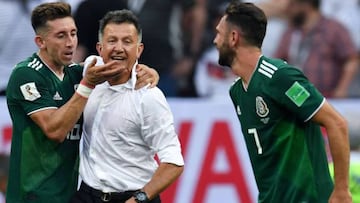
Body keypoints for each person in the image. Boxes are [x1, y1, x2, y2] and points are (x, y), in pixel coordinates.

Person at [5, 2, 159, 203]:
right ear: (40, 41)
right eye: (61, 36)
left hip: (69, 196)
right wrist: (87, 85)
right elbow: (55, 130)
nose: (70, 43)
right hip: (32, 196)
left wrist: (144, 70)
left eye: (73, 33)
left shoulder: (76, 73)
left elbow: (119, 64)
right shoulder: (26, 74)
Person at [213, 1, 352, 202]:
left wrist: (341, 190)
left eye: (219, 33)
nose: (215, 40)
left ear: (234, 38)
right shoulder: (237, 91)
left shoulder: (279, 77)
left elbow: (337, 123)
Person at [70, 9, 184, 203]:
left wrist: (138, 199)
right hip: (87, 194)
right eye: (112, 41)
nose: (119, 48)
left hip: (132, 197)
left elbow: (174, 162)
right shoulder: (91, 71)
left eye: (127, 41)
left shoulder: (149, 96)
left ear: (139, 50)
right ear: (100, 48)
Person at [274, 0, 359, 98]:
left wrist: (342, 89)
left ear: (306, 4)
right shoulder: (291, 32)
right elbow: (278, 62)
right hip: (297, 98)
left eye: (292, 5)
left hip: (328, 99)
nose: (288, 9)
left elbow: (351, 59)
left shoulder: (334, 29)